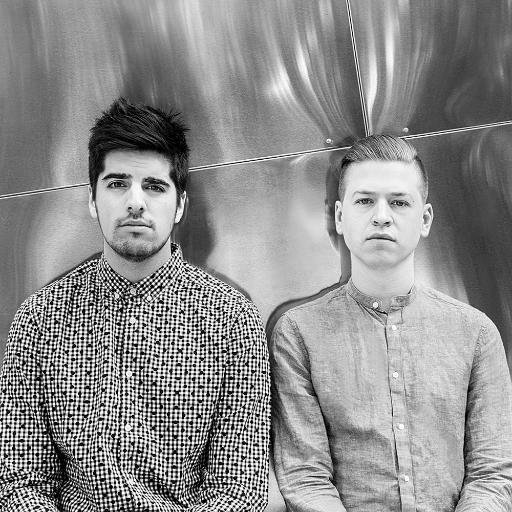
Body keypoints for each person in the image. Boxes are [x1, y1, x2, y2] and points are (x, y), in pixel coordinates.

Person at [0, 97, 270, 511]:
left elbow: (238, 491)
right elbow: (21, 482)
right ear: (92, 200)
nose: (135, 202)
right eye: (117, 184)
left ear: (180, 205)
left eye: (155, 186)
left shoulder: (231, 318)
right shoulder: (39, 319)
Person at [270, 134, 512, 512]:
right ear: (339, 217)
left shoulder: (477, 334)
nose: (381, 215)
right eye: (365, 200)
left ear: (424, 219)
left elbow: (493, 473)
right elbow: (304, 476)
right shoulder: (298, 333)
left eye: (399, 202)